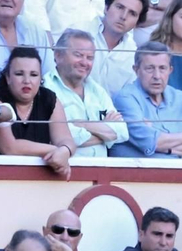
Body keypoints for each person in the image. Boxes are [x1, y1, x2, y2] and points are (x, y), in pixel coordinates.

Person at [0, 46, 77, 178]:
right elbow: (11, 148)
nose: (27, 81)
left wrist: (65, 150)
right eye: (19, 74)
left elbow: (66, 139)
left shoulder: (49, 99)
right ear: (7, 77)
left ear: (41, 78)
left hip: (34, 182)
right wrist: (55, 150)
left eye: (34, 75)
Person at [111, 41, 182, 157]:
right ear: (136, 70)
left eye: (162, 68)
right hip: (139, 173)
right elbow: (150, 142)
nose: (157, 76)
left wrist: (166, 148)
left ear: (170, 70)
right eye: (150, 68)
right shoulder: (125, 98)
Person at [48, 27, 129, 157]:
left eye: (90, 58)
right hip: (66, 170)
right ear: (58, 55)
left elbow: (122, 132)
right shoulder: (47, 89)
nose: (84, 62)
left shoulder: (97, 90)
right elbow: (61, 137)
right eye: (78, 55)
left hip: (101, 171)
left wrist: (82, 124)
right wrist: (104, 130)